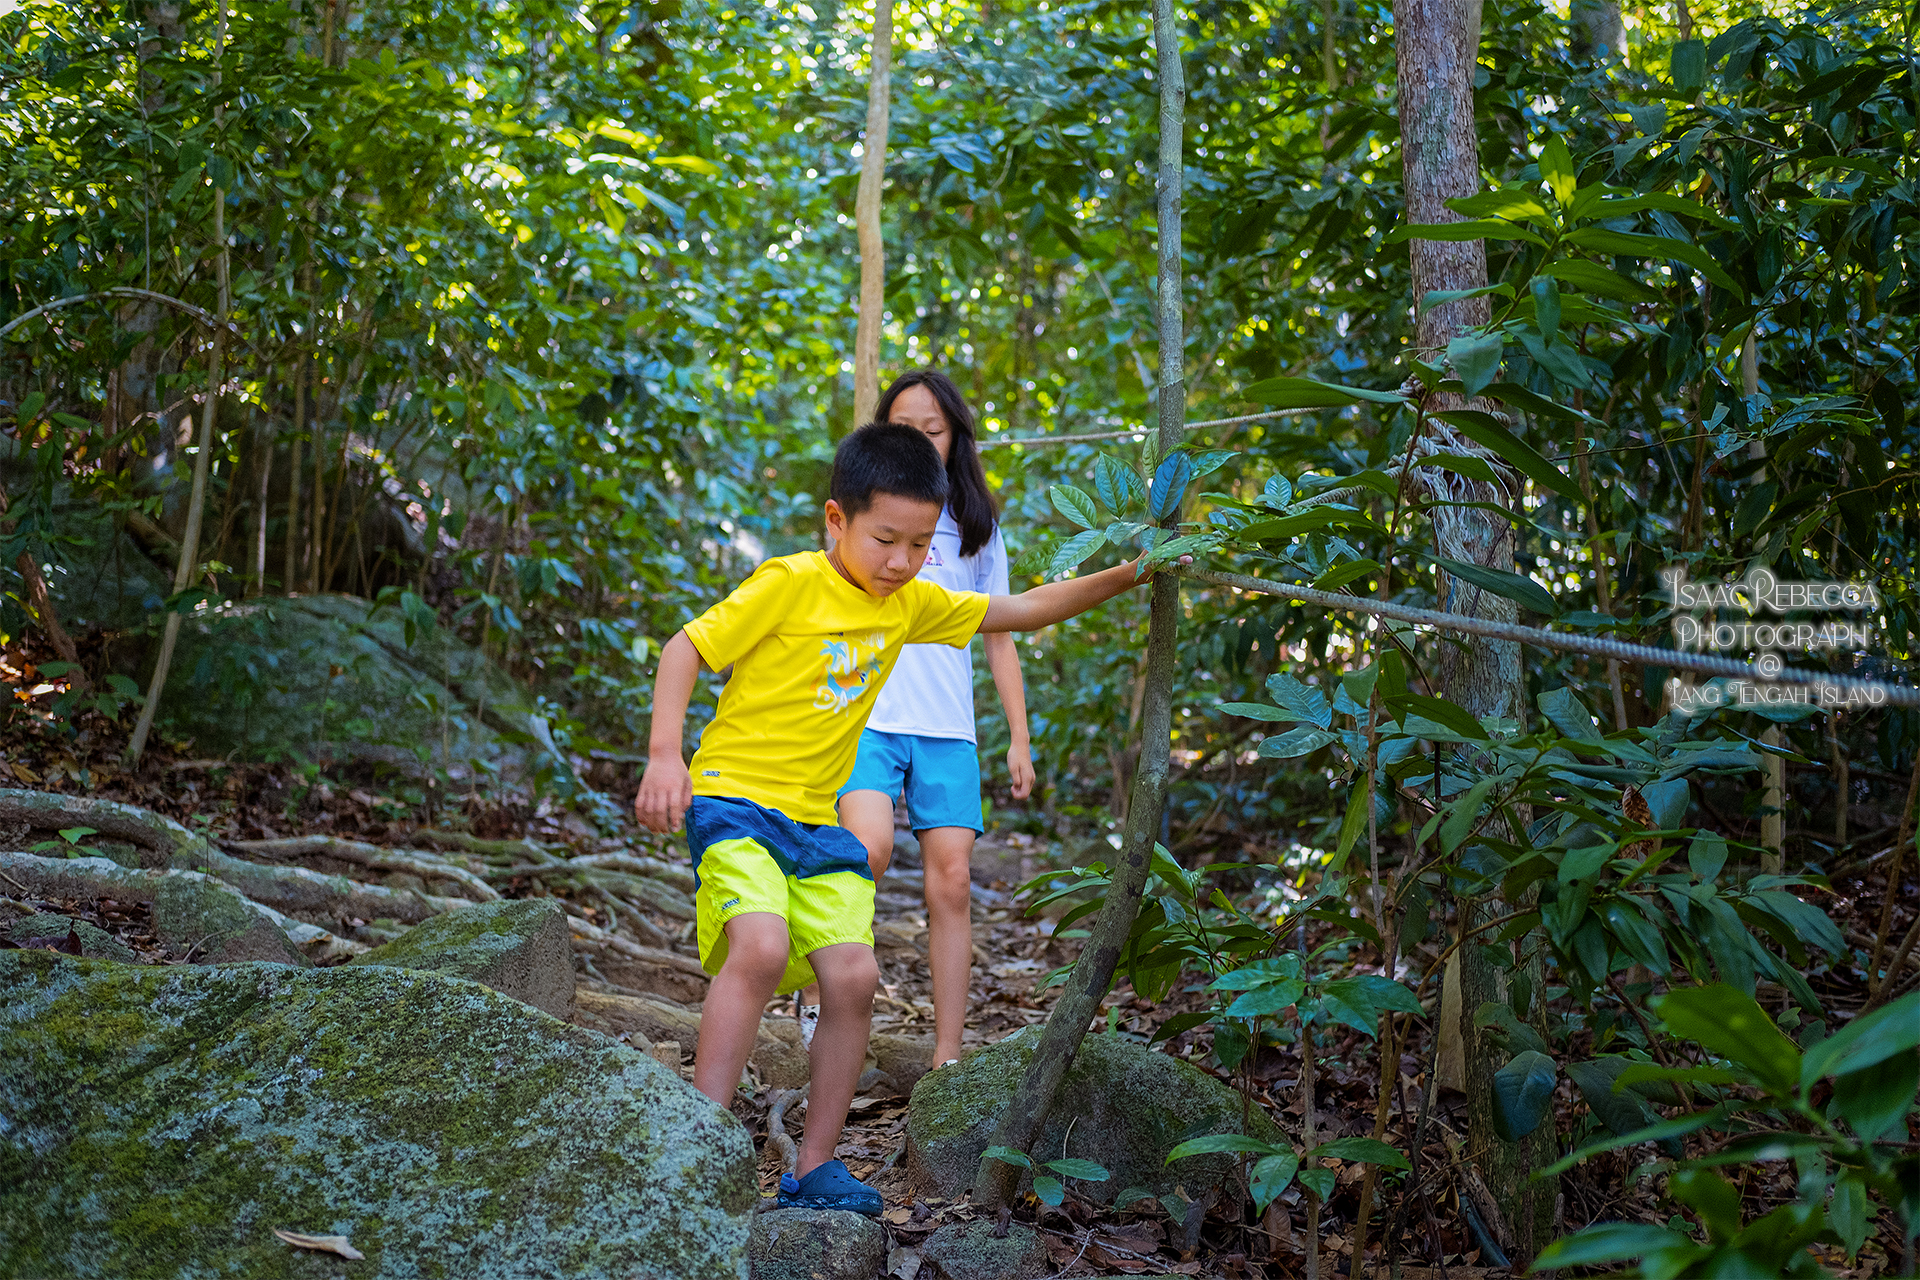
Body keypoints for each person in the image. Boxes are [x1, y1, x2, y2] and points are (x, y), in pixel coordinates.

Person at [635, 421, 1173, 1215]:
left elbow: (1021, 611)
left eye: (919, 544)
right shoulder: (787, 584)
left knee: (855, 978)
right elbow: (685, 647)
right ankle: (701, 1143)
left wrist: (1132, 573)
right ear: (835, 521)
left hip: (819, 824)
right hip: (735, 799)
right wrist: (662, 754)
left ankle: (812, 1167)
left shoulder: (912, 603)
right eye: (885, 539)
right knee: (759, 944)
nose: (901, 561)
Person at [792, 370, 1031, 1072]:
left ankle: (947, 1057)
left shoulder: (978, 526)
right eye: (904, 427)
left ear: (954, 433)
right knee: (865, 848)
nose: (920, 439)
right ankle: (818, 992)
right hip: (866, 712)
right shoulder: (867, 514)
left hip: (947, 725)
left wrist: (1019, 736)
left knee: (951, 878)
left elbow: (1000, 633)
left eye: (933, 428)